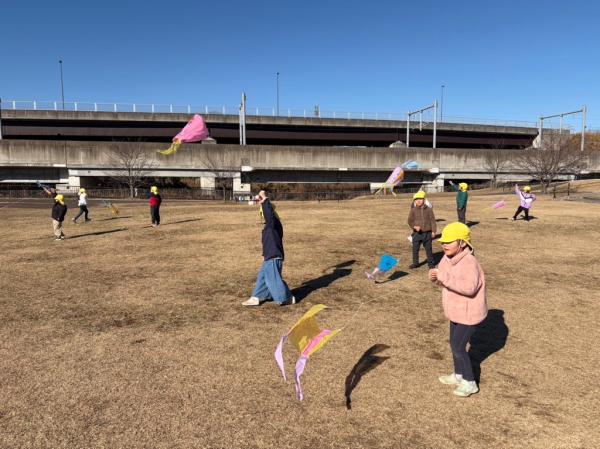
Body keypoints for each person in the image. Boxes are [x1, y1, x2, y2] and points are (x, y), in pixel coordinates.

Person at [428, 222, 487, 397]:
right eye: (443, 241)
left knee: (458, 347)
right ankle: (458, 374)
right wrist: (435, 278)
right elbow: (445, 281)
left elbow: (469, 288)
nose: (444, 244)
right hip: (455, 311)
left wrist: (443, 277)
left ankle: (470, 382)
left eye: (449, 241)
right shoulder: (446, 258)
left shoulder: (469, 262)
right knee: (454, 344)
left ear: (462, 242)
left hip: (469, 313)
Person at [243, 190, 295, 306]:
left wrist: (264, 199)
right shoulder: (271, 225)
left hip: (273, 256)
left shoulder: (273, 223)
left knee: (273, 280)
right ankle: (256, 297)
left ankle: (286, 298)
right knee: (263, 277)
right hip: (269, 256)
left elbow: (269, 215)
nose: (263, 216)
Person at [407, 191, 437, 269]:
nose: (418, 201)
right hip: (417, 234)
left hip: (427, 233)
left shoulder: (429, 210)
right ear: (414, 201)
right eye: (416, 199)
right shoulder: (413, 210)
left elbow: (432, 221)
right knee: (415, 249)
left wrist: (433, 231)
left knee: (428, 249)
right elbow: (410, 221)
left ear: (424, 200)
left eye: (420, 199)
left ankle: (431, 264)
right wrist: (414, 226)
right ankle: (415, 263)